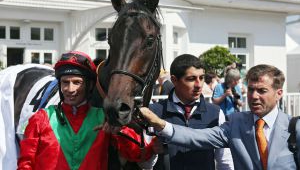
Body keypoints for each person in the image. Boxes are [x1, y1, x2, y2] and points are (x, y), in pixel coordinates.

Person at [140, 64, 299, 169]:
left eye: (262, 91)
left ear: (279, 94)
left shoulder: (295, 128)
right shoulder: (236, 123)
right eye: (250, 90)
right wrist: (161, 125)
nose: (254, 96)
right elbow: (197, 137)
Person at [17, 51, 157, 170]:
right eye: (65, 82)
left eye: (77, 82)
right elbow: (25, 164)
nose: (70, 89)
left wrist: (119, 131)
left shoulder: (105, 118)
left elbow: (136, 154)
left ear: (89, 85)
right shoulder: (40, 119)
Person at [150, 54, 234, 170]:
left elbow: (225, 160)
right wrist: (152, 152)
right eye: (191, 79)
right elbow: (145, 165)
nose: (199, 85)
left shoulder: (215, 112)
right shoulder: (154, 113)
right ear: (174, 80)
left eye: (202, 78)